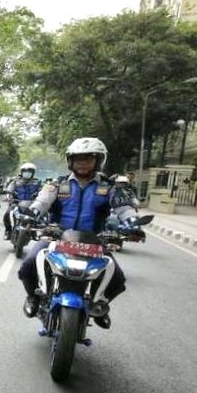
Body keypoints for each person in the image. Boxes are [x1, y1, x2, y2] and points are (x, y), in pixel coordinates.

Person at [17, 137, 126, 329]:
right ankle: (33, 297)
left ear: (98, 161)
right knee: (28, 265)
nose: (82, 163)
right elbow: (41, 202)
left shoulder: (108, 187)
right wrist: (31, 214)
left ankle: (101, 304)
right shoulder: (57, 185)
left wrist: (132, 222)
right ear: (70, 161)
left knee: (117, 278)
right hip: (57, 238)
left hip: (94, 242)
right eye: (78, 159)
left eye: (88, 159)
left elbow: (124, 208)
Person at [2, 162, 42, 238]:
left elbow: (41, 192)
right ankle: (8, 231)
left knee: (38, 216)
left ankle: (34, 232)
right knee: (7, 214)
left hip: (31, 205)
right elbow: (10, 189)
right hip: (17, 203)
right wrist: (9, 195)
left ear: (33, 173)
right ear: (22, 172)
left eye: (29, 172)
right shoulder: (16, 181)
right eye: (25, 172)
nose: (27, 174)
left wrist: (38, 196)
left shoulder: (37, 183)